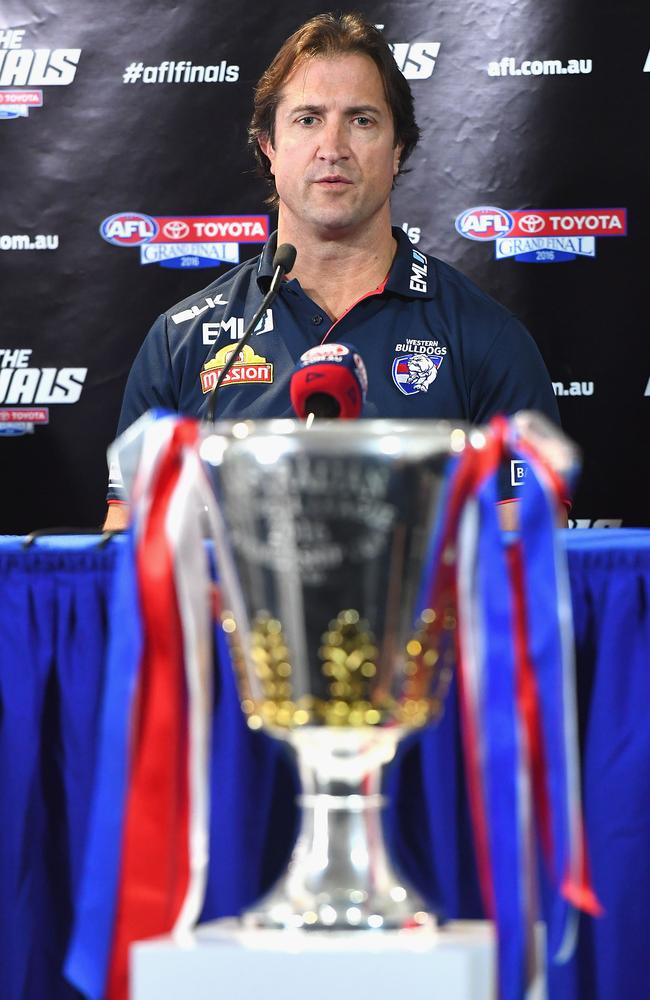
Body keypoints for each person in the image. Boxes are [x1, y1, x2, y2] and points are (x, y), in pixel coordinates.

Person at [104, 11, 561, 530]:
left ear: (398, 149)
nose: (333, 148)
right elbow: (128, 546)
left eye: (361, 120)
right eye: (308, 119)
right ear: (269, 147)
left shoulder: (488, 339)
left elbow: (528, 558)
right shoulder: (178, 343)